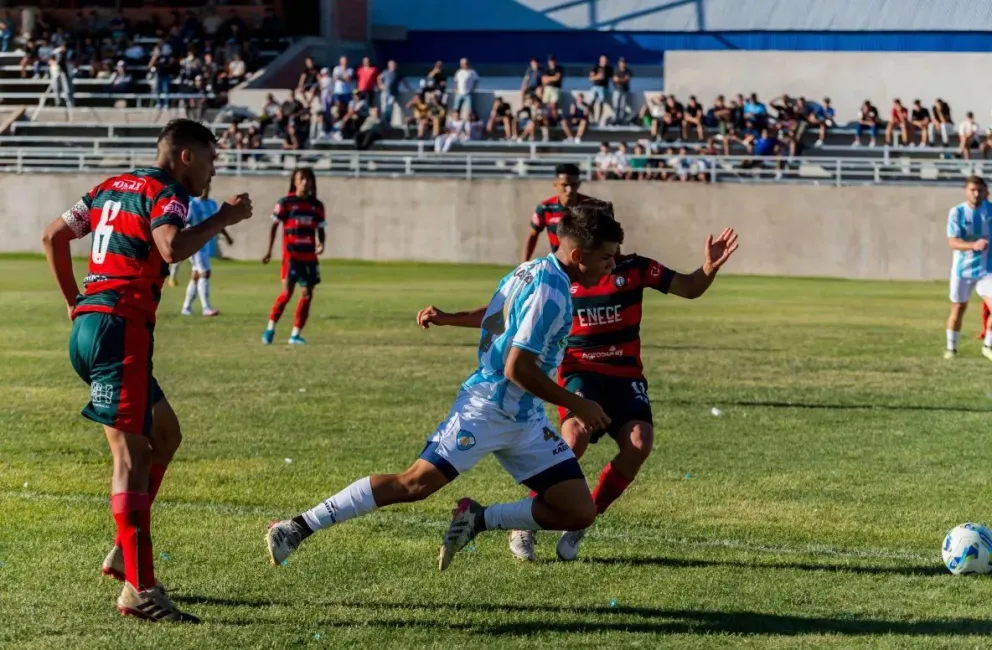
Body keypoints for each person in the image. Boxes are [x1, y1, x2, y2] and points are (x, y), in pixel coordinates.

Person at [265, 201, 624, 571]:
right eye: (608, 258)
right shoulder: (552, 292)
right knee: (414, 484)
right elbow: (518, 368)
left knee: (578, 510)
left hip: (525, 417)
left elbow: (497, 317)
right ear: (578, 254)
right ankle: (295, 527)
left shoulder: (532, 269)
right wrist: (577, 404)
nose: (613, 265)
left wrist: (449, 318)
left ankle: (477, 518)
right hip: (487, 407)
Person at [417, 227, 740, 561]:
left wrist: (708, 269)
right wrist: (448, 318)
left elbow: (689, 288)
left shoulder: (636, 269)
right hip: (579, 371)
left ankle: (581, 521)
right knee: (574, 438)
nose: (610, 258)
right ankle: (524, 523)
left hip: (625, 375)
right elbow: (506, 315)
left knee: (640, 444)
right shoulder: (566, 279)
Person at [39, 119, 254, 622]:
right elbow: (171, 248)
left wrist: (76, 302)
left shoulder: (110, 186)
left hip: (93, 328)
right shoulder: (169, 193)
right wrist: (222, 218)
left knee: (166, 433)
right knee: (130, 459)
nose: (212, 169)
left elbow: (52, 236)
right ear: (184, 156)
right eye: (209, 159)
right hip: (120, 330)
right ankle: (141, 590)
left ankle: (123, 551)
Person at [262, 167, 325, 345]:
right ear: (295, 181)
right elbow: (274, 225)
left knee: (307, 295)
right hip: (292, 257)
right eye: (302, 179)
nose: (305, 182)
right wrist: (269, 250)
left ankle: (295, 334)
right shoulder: (286, 203)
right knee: (286, 293)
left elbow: (321, 228)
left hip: (309, 258)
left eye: (308, 179)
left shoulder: (317, 206)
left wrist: (321, 243)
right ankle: (270, 328)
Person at [944, 175, 992, 360]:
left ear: (985, 191)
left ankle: (988, 345)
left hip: (987, 270)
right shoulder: (957, 212)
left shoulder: (990, 210)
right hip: (962, 270)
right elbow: (952, 242)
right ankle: (951, 348)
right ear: (966, 191)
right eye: (973, 190)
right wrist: (973, 245)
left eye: (980, 190)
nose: (977, 193)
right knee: (958, 308)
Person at [181, 185, 233, 316]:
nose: (204, 191)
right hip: (195, 245)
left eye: (206, 188)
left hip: (206, 244)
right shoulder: (193, 205)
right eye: (202, 188)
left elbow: (218, 222)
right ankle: (206, 308)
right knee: (205, 273)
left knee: (196, 276)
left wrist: (227, 237)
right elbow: (184, 223)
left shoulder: (212, 204)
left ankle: (186, 308)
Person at [522, 163, 588, 261]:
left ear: (578, 184)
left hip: (586, 265)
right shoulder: (545, 207)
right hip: (559, 265)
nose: (569, 190)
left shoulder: (591, 206)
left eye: (573, 185)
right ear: (555, 185)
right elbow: (532, 235)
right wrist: (524, 264)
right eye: (564, 185)